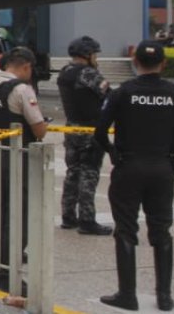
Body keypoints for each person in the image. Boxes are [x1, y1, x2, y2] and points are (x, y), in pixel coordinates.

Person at [94, 40, 174, 311]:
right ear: (163, 64)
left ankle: (128, 295)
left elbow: (100, 132)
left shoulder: (122, 93)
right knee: (161, 231)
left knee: (126, 230)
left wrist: (114, 153)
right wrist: (167, 153)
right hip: (162, 169)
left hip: (129, 168)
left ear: (135, 63)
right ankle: (165, 296)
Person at [0, 47, 48, 294]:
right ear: (26, 66)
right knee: (18, 216)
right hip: (18, 159)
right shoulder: (21, 89)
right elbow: (39, 129)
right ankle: (8, 273)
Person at [57, 36, 113, 236]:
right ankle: (87, 220)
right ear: (87, 54)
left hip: (71, 128)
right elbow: (109, 95)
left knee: (72, 172)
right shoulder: (88, 74)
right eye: (95, 53)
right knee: (89, 173)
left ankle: (68, 216)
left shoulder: (65, 72)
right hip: (89, 130)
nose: (96, 57)